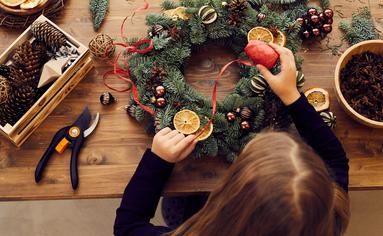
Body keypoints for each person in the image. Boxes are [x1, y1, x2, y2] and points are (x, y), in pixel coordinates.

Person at [114, 43, 350, 236]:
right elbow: (336, 159)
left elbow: (128, 227)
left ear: (232, 198)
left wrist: (158, 161)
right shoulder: (330, 215)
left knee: (178, 205)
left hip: (198, 218)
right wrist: (291, 96)